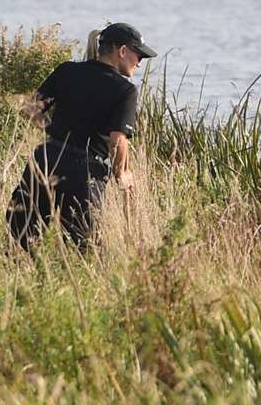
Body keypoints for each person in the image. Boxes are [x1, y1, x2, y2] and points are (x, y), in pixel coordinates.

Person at [8, 21, 156, 248]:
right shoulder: (124, 90)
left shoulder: (67, 70)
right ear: (122, 51)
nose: (140, 62)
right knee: (85, 251)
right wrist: (122, 174)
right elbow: (118, 140)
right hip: (84, 174)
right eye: (139, 56)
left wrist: (55, 134)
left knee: (22, 241)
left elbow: (30, 109)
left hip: (45, 160)